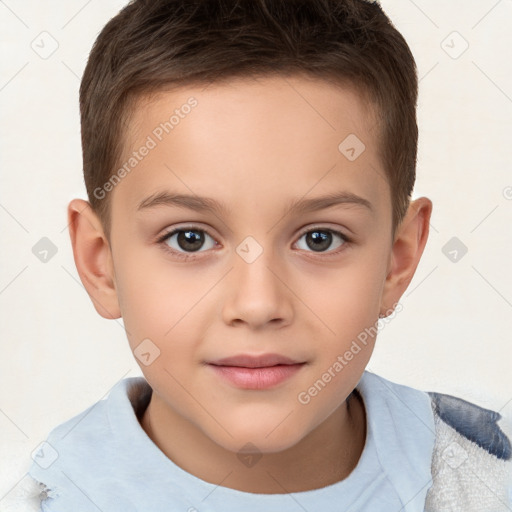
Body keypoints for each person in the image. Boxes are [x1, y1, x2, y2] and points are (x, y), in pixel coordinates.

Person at [14, 0, 512, 510]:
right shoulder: (41, 495)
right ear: (102, 263)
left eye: (320, 238)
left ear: (397, 259)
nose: (257, 304)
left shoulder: (488, 481)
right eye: (190, 239)